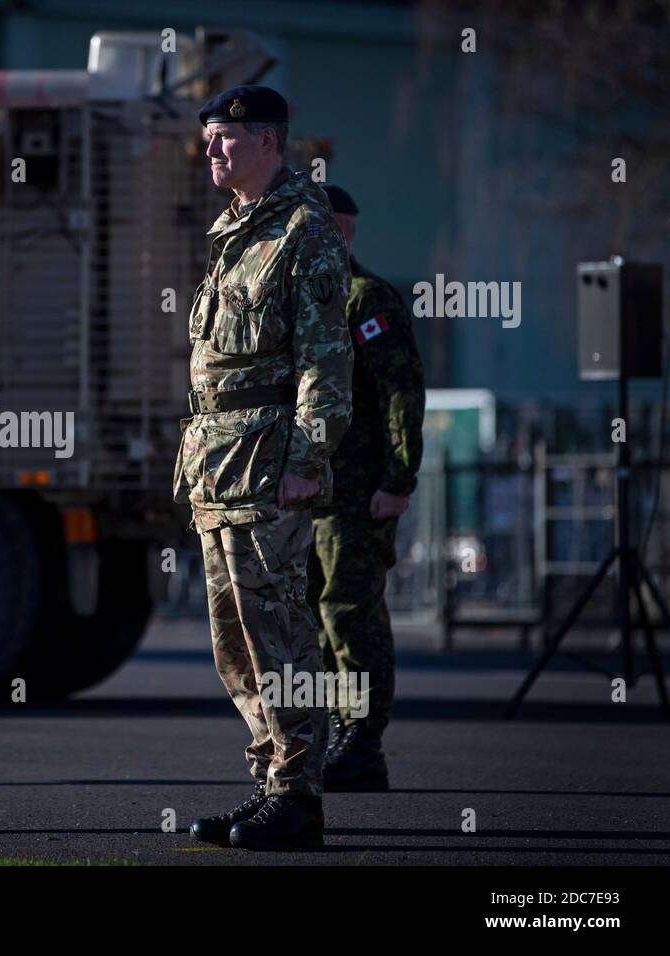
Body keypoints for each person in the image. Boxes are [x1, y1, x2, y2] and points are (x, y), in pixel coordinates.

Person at [178, 86, 354, 850]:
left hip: (271, 462)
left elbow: (325, 358)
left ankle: (300, 795)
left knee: (280, 628)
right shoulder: (232, 230)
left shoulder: (302, 229)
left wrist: (308, 460)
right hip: (220, 463)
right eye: (209, 139)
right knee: (236, 638)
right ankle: (271, 782)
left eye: (225, 138)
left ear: (268, 143)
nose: (212, 152)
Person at [310, 184, 425, 792]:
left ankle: (362, 741)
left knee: (349, 613)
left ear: (342, 230)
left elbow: (400, 390)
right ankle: (337, 729)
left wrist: (398, 478)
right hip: (311, 493)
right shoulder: (310, 299)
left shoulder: (366, 299)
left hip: (358, 495)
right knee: (314, 620)